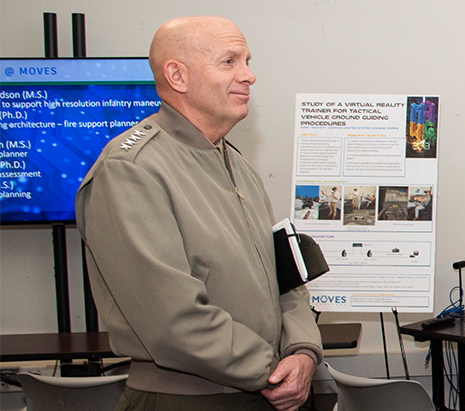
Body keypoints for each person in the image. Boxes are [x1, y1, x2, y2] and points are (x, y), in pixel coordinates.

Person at [75, 16, 321, 411]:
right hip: (186, 398)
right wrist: (273, 370)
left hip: (265, 389)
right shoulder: (131, 170)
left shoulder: (235, 164)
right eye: (229, 62)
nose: (249, 75)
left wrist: (303, 352)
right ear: (177, 75)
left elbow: (285, 280)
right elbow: (173, 320)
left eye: (247, 60)